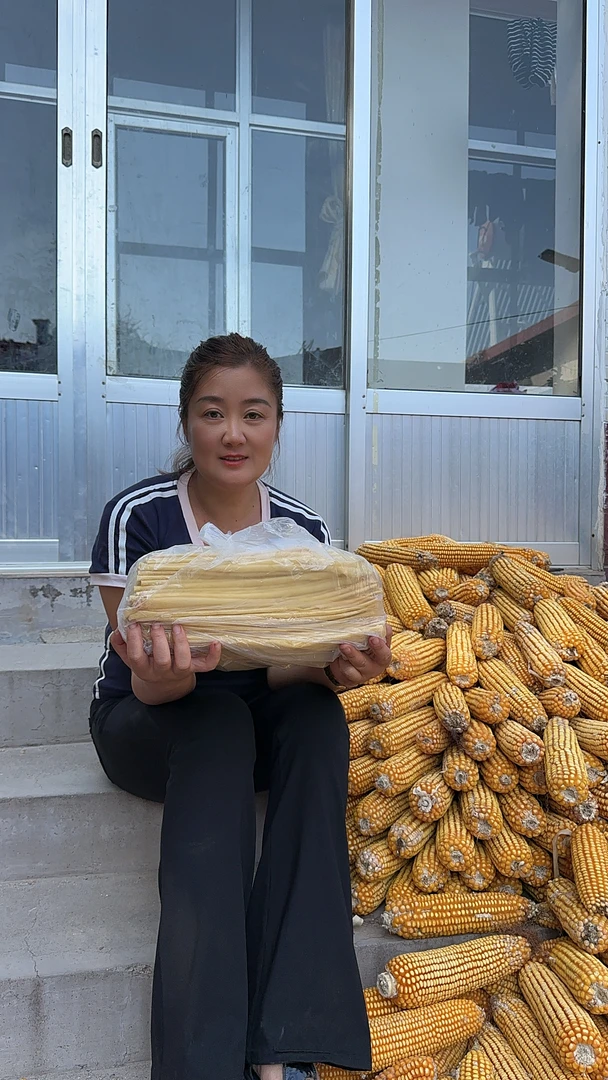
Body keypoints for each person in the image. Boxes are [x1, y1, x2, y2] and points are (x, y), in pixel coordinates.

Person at [88, 333, 391, 1080]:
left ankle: (288, 1043)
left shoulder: (304, 534)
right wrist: (172, 673)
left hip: (258, 709)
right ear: (186, 422)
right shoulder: (140, 519)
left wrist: (340, 671)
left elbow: (288, 676)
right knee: (217, 722)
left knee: (320, 721)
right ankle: (201, 1062)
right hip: (150, 713)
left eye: (253, 414)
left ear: (277, 424)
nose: (233, 433)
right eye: (212, 413)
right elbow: (148, 683)